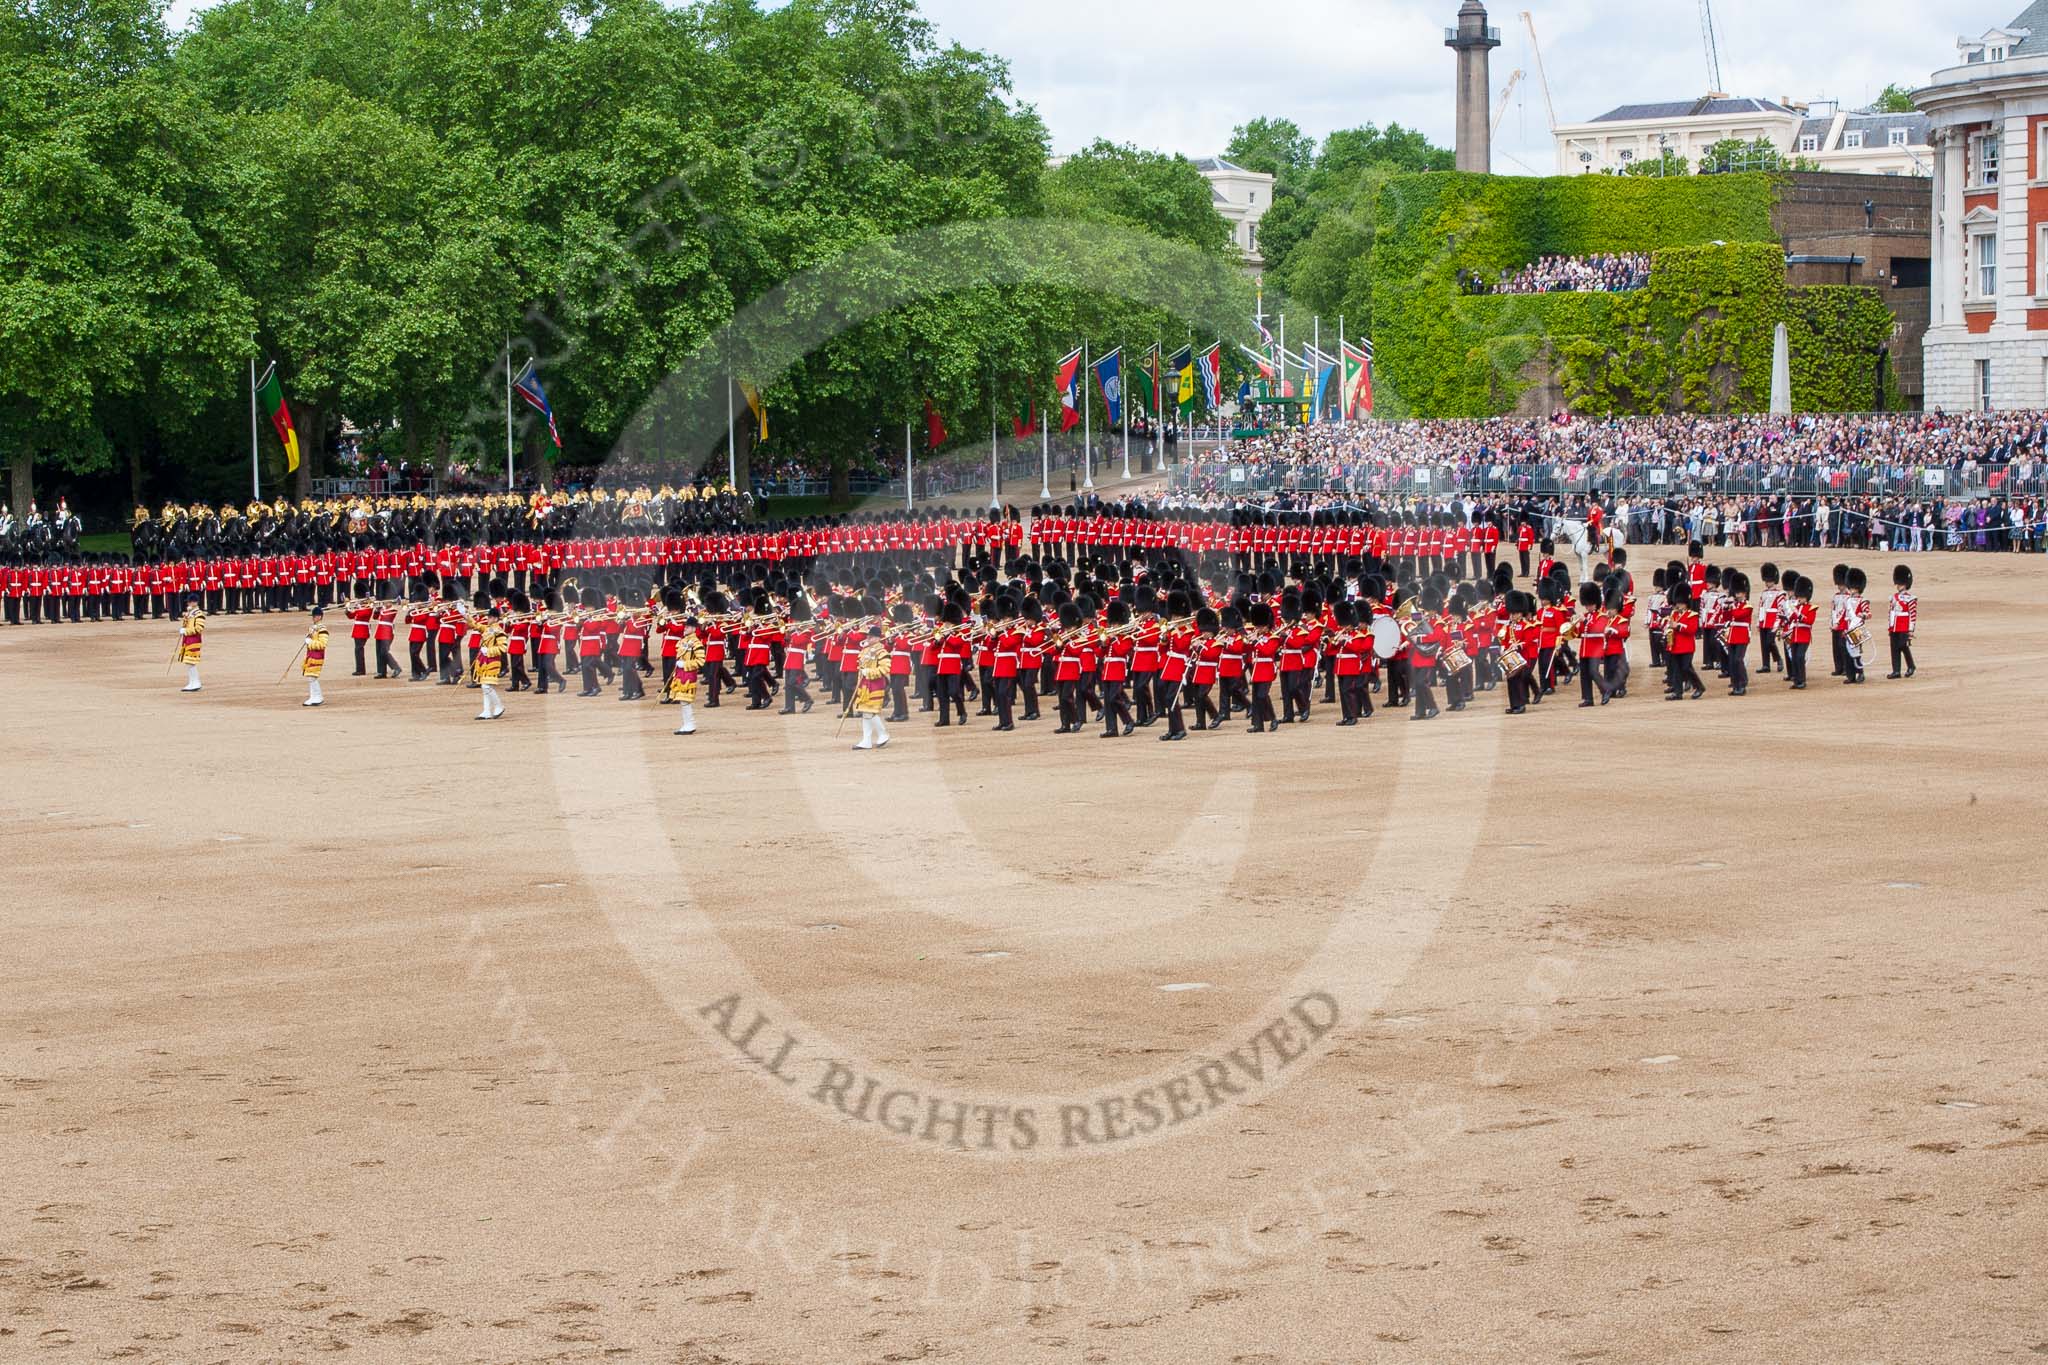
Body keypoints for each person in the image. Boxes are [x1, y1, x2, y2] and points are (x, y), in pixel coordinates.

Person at [851, 625, 892, 750]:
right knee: (866, 712)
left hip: (875, 685)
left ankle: (882, 734)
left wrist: (869, 672)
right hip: (864, 685)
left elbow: (885, 669)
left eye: (871, 637)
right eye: (868, 636)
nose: (868, 638)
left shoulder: (882, 652)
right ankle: (867, 740)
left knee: (870, 711)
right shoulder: (865, 650)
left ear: (878, 638)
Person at [670, 617, 706, 735]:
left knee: (686, 701)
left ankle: (690, 724)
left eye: (688, 627)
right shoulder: (683, 641)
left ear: (694, 628)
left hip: (689, 673)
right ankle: (687, 724)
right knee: (682, 701)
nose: (685, 628)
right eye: (685, 626)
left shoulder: (696, 643)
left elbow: (701, 661)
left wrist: (685, 664)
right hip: (680, 673)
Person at [474, 610, 508, 720]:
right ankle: (487, 711)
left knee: (486, 686)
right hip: (484, 661)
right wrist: (465, 615)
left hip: (493, 661)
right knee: (485, 686)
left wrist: (488, 650)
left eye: (489, 617)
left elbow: (503, 648)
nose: (487, 619)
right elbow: (475, 625)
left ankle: (499, 706)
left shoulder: (498, 631)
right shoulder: (489, 629)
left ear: (495, 619)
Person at [1887, 565, 1918, 679]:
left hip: (1904, 625)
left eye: (1900, 584)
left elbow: (1912, 615)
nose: (1898, 586)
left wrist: (1910, 629)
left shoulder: (1911, 598)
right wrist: (1890, 626)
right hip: (1894, 625)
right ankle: (1896, 670)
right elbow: (1891, 612)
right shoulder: (1893, 597)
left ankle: (1911, 666)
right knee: (1894, 648)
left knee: (1903, 646)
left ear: (1905, 584)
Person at [177, 597, 205, 692]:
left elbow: (198, 629)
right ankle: (192, 682)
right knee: (188, 662)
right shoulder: (191, 614)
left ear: (195, 603)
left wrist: (186, 631)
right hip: (188, 639)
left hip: (194, 639)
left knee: (191, 661)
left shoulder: (199, 614)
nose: (188, 604)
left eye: (190, 602)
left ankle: (196, 682)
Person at [302, 606, 329, 707]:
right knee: (310, 676)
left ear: (319, 617)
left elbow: (322, 644)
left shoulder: (322, 629)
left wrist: (310, 642)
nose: (313, 618)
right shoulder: (313, 628)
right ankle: (314, 696)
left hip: (317, 655)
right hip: (311, 654)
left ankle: (317, 696)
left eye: (315, 616)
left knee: (312, 676)